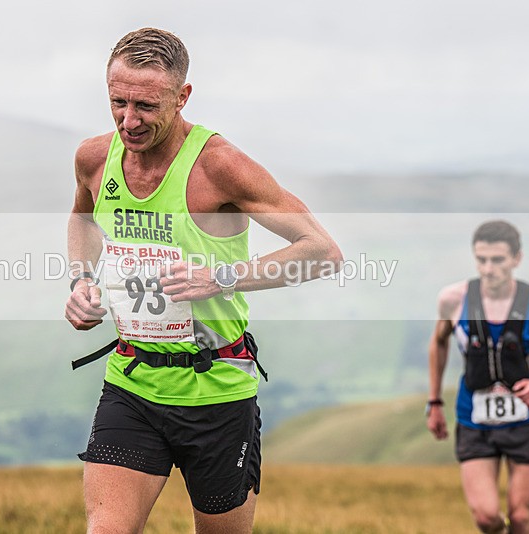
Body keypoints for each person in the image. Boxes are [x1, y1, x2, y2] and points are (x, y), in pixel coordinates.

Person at [64, 28, 341, 534]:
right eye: (117, 102)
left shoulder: (219, 166)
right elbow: (82, 220)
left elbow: (322, 251)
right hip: (133, 382)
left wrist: (223, 277)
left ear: (182, 96)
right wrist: (82, 281)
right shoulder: (93, 158)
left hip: (216, 389)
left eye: (146, 105)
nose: (129, 120)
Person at [427, 220, 529, 534]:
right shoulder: (453, 299)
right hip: (474, 418)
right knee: (487, 517)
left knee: (520, 517)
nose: (489, 268)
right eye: (481, 259)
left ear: (517, 258)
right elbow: (438, 342)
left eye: (498, 260)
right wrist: (434, 401)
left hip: (525, 420)